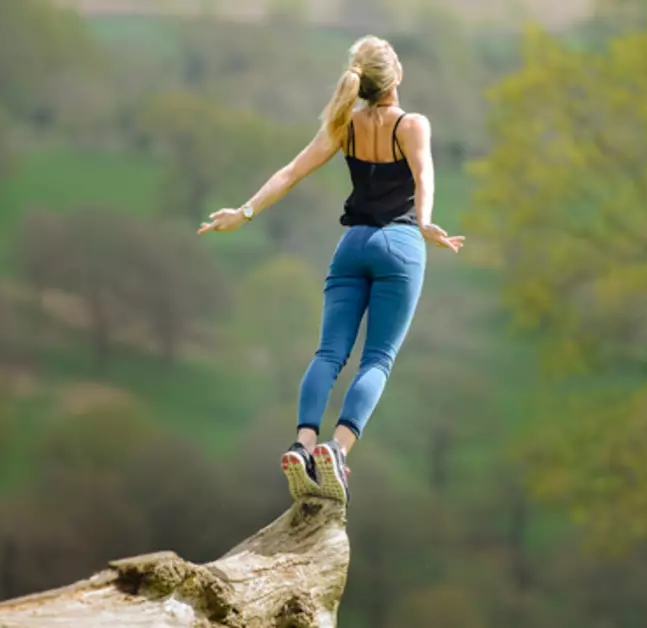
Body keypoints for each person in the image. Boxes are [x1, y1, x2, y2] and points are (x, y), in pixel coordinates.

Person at [197, 35, 465, 505]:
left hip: (351, 247)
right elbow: (424, 174)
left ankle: (301, 446)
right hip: (399, 246)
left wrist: (245, 213)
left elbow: (290, 172)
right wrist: (423, 222)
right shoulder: (412, 124)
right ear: (395, 77)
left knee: (328, 354)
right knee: (378, 358)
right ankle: (336, 451)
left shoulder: (346, 125)